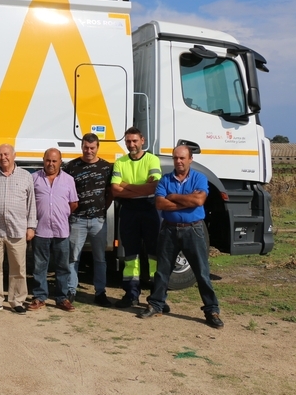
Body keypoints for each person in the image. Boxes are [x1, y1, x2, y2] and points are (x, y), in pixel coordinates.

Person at [138, 145, 224, 328]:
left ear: (190, 159)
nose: (178, 161)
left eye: (182, 158)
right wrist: (188, 202)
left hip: (193, 230)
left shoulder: (199, 178)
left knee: (201, 272)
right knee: (162, 271)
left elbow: (199, 200)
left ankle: (212, 310)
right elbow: (160, 204)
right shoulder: (165, 179)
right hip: (169, 230)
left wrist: (173, 196)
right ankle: (156, 304)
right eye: (176, 158)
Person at [0, 144, 37, 314]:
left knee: (18, 267)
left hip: (17, 229)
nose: (3, 157)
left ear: (14, 155)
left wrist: (31, 226)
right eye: (0, 155)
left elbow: (31, 203)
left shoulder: (26, 176)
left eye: (6, 154)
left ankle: (17, 300)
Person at [111, 127, 162, 308]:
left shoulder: (152, 159)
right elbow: (115, 190)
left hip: (150, 209)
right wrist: (141, 189)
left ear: (142, 140)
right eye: (128, 141)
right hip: (129, 211)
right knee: (130, 255)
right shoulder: (120, 162)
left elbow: (154, 187)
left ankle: (157, 297)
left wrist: (127, 186)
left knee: (154, 254)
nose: (131, 144)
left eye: (134, 141)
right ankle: (131, 295)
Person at [64, 133, 114, 307]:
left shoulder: (106, 167)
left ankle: (100, 293)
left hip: (98, 221)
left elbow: (110, 192)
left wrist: (102, 208)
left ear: (97, 147)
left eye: (92, 148)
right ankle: (71, 290)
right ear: (82, 147)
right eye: (86, 147)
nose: (89, 151)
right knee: (73, 258)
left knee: (100, 259)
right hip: (77, 220)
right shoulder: (71, 167)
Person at [29, 148, 78, 312]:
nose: (51, 164)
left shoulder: (69, 180)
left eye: (54, 161)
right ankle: (40, 297)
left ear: (60, 162)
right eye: (48, 160)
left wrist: (61, 214)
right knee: (39, 266)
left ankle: (62, 298)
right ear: (43, 160)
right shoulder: (34, 178)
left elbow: (73, 203)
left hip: (61, 230)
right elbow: (29, 203)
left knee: (62, 267)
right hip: (40, 230)